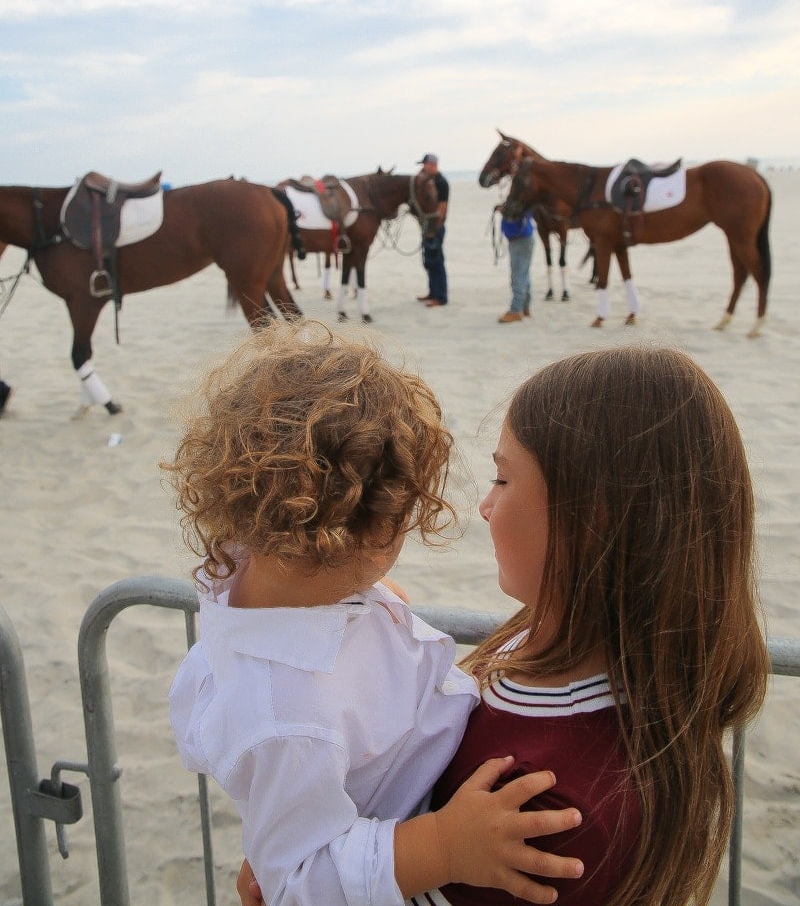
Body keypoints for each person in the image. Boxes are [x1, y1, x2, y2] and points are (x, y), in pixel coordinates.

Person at [238, 344, 769, 906]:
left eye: (503, 478)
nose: (486, 507)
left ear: (591, 519)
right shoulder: (548, 635)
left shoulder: (554, 812)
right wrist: (305, 859)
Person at [166, 321, 584, 906]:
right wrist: (443, 846)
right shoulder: (290, 717)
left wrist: (364, 597)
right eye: (398, 524)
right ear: (348, 537)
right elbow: (295, 885)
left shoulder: (269, 569)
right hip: (410, 831)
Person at [416, 154, 449, 307]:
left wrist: (435, 228)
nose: (422, 167)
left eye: (424, 165)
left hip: (435, 227)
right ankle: (432, 292)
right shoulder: (429, 181)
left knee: (437, 262)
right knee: (429, 261)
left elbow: (443, 207)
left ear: (432, 165)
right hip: (428, 225)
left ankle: (441, 297)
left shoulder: (441, 182)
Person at [497, 206, 536, 323]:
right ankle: (525, 306)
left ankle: (515, 310)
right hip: (521, 239)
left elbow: (525, 212)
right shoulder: (520, 200)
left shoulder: (522, 202)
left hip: (520, 239)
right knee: (524, 274)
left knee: (518, 275)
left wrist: (507, 210)